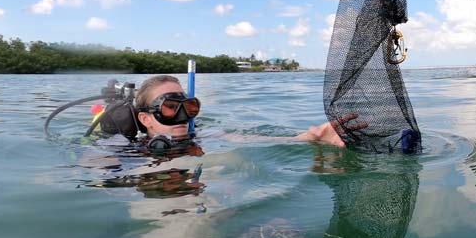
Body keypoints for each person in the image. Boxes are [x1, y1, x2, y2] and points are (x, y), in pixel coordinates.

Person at [121, 74, 361, 148]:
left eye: (188, 108)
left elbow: (257, 140)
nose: (183, 117)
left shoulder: (205, 136)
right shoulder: (127, 151)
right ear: (146, 119)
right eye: (170, 109)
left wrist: (311, 138)